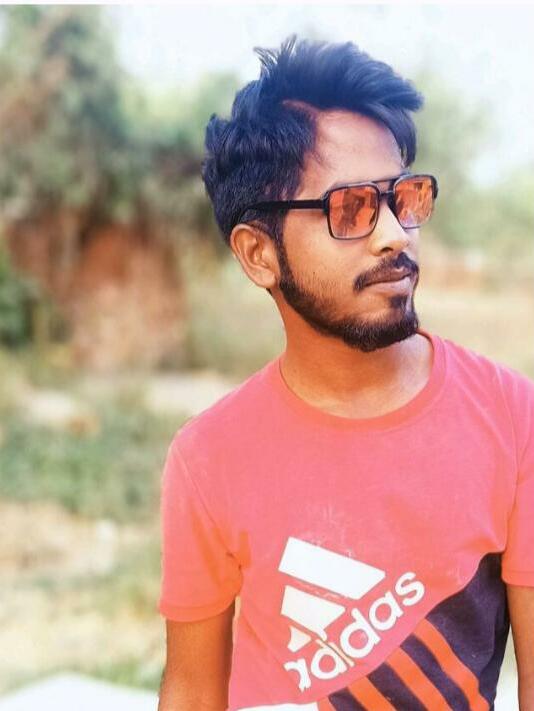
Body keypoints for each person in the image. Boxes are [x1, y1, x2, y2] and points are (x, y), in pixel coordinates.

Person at [157, 35, 534, 711]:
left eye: (404, 198)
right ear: (258, 253)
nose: (396, 234)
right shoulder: (208, 456)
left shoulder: (512, 417)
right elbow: (191, 688)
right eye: (351, 208)